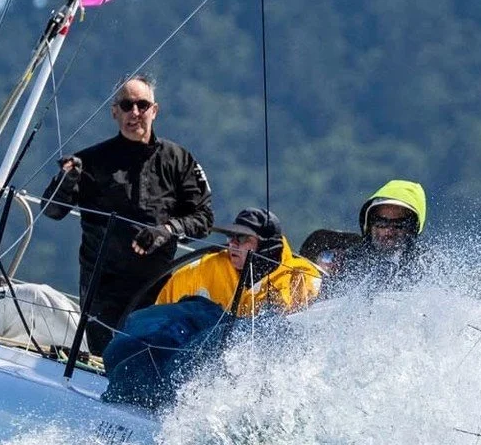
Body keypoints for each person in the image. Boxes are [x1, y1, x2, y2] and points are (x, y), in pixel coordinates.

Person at [41, 74, 214, 354]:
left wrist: (167, 230)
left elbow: (204, 219)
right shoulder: (91, 161)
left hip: (156, 285)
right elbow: (52, 211)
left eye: (142, 105)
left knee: (142, 358)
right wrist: (65, 182)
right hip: (103, 287)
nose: (135, 113)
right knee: (105, 357)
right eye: (126, 105)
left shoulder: (179, 160)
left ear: (154, 111)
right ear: (114, 112)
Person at [155, 207, 321, 316]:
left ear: (267, 246)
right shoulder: (200, 271)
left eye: (241, 238)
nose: (232, 244)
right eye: (230, 236)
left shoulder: (299, 276)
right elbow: (157, 317)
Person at [321, 179, 428, 291]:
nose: (388, 232)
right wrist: (326, 277)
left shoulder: (427, 265)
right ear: (369, 226)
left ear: (413, 230)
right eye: (381, 224)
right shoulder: (344, 262)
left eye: (398, 225)